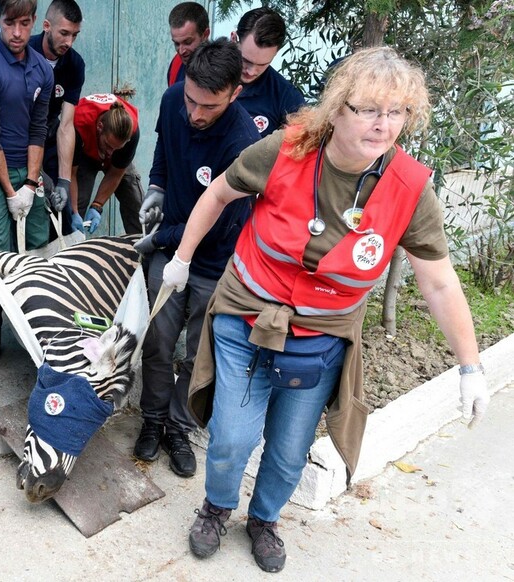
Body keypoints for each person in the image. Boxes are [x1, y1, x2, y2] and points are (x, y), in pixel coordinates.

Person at [161, 47, 490, 572]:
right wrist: (181, 259)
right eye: (369, 109)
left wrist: (470, 367)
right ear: (337, 109)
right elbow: (218, 194)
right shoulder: (285, 150)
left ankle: (264, 520)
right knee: (231, 437)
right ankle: (217, 508)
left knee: (290, 451)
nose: (384, 125)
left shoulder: (409, 188)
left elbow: (440, 283)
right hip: (247, 316)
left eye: (398, 112)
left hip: (319, 337)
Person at [132, 39, 260, 478]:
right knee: (157, 342)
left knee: (196, 353)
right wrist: (157, 186)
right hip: (169, 248)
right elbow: (164, 150)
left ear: (234, 94)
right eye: (190, 99)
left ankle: (179, 427)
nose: (195, 113)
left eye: (208, 106)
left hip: (214, 263)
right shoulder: (174, 100)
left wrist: (159, 238)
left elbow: (222, 225)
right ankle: (152, 420)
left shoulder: (244, 142)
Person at [0, 0, 54, 370]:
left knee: (38, 247)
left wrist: (32, 184)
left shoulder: (42, 70)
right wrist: (8, 191)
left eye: (25, 23)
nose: (17, 33)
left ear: (35, 21)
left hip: (29, 172)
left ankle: (37, 326)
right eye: (9, 24)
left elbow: (40, 129)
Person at [28, 0, 86, 234]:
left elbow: (66, 124)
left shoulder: (75, 64)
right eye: (64, 33)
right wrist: (36, 173)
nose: (69, 42)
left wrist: (64, 181)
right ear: (46, 26)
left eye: (74, 35)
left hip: (50, 137)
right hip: (19, 140)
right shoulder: (26, 52)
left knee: (59, 218)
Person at [71, 93, 143, 235]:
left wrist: (97, 205)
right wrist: (73, 211)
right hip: (85, 153)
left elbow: (116, 174)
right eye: (108, 145)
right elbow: (70, 174)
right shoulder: (78, 125)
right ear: (99, 126)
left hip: (114, 153)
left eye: (116, 148)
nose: (110, 153)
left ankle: (141, 249)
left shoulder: (132, 133)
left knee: (135, 201)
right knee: (76, 204)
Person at [232, 7, 305, 136]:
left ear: (275, 54)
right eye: (246, 60)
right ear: (233, 39)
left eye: (262, 64)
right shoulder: (203, 69)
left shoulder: (286, 97)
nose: (251, 71)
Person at [166, 2, 210, 87]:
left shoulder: (222, 74)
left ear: (205, 34)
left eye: (188, 42)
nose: (181, 51)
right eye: (176, 44)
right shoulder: (176, 63)